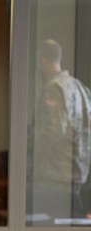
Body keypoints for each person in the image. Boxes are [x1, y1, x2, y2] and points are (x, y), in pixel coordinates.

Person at [31, 39, 91, 221]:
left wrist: (30, 155)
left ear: (42, 60)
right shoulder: (80, 88)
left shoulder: (54, 88)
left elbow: (51, 131)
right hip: (77, 174)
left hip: (54, 176)